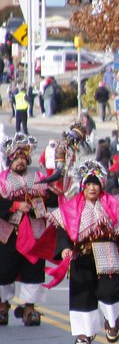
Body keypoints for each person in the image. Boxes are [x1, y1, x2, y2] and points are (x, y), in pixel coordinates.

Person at [47, 161, 119, 344]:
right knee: (82, 294)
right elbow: (63, 229)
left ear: (102, 185)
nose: (92, 187)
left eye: (96, 183)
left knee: (111, 290)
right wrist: (65, 249)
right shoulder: (73, 207)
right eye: (88, 183)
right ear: (83, 185)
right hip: (81, 255)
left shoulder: (113, 205)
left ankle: (112, 320)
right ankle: (83, 334)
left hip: (107, 251)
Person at [0, 134, 58, 327]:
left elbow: (52, 199)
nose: (20, 162)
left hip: (34, 233)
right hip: (8, 234)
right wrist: (15, 206)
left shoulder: (39, 178)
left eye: (23, 158)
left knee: (33, 270)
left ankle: (29, 307)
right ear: (10, 160)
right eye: (16, 158)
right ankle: (2, 305)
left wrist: (51, 194)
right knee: (4, 270)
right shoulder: (2, 180)